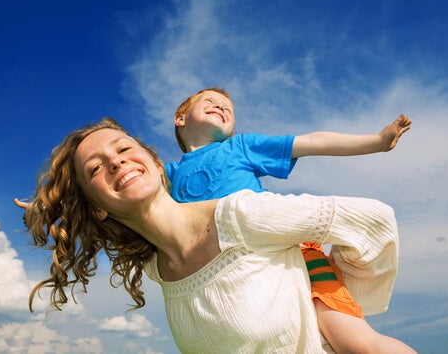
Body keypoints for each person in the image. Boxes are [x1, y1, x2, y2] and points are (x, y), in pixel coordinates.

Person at [15, 118, 413, 353]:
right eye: (96, 169)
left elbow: (373, 223)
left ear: (155, 164)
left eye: (123, 148)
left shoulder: (243, 214)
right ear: (97, 206)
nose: (116, 160)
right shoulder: (156, 266)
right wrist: (52, 208)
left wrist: (332, 294)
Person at [169, 87, 415, 353]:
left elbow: (311, 141)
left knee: (353, 341)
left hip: (297, 256)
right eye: (210, 101)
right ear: (180, 117)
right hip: (245, 279)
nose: (222, 107)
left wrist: (376, 142)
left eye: (229, 108)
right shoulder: (168, 176)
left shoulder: (238, 147)